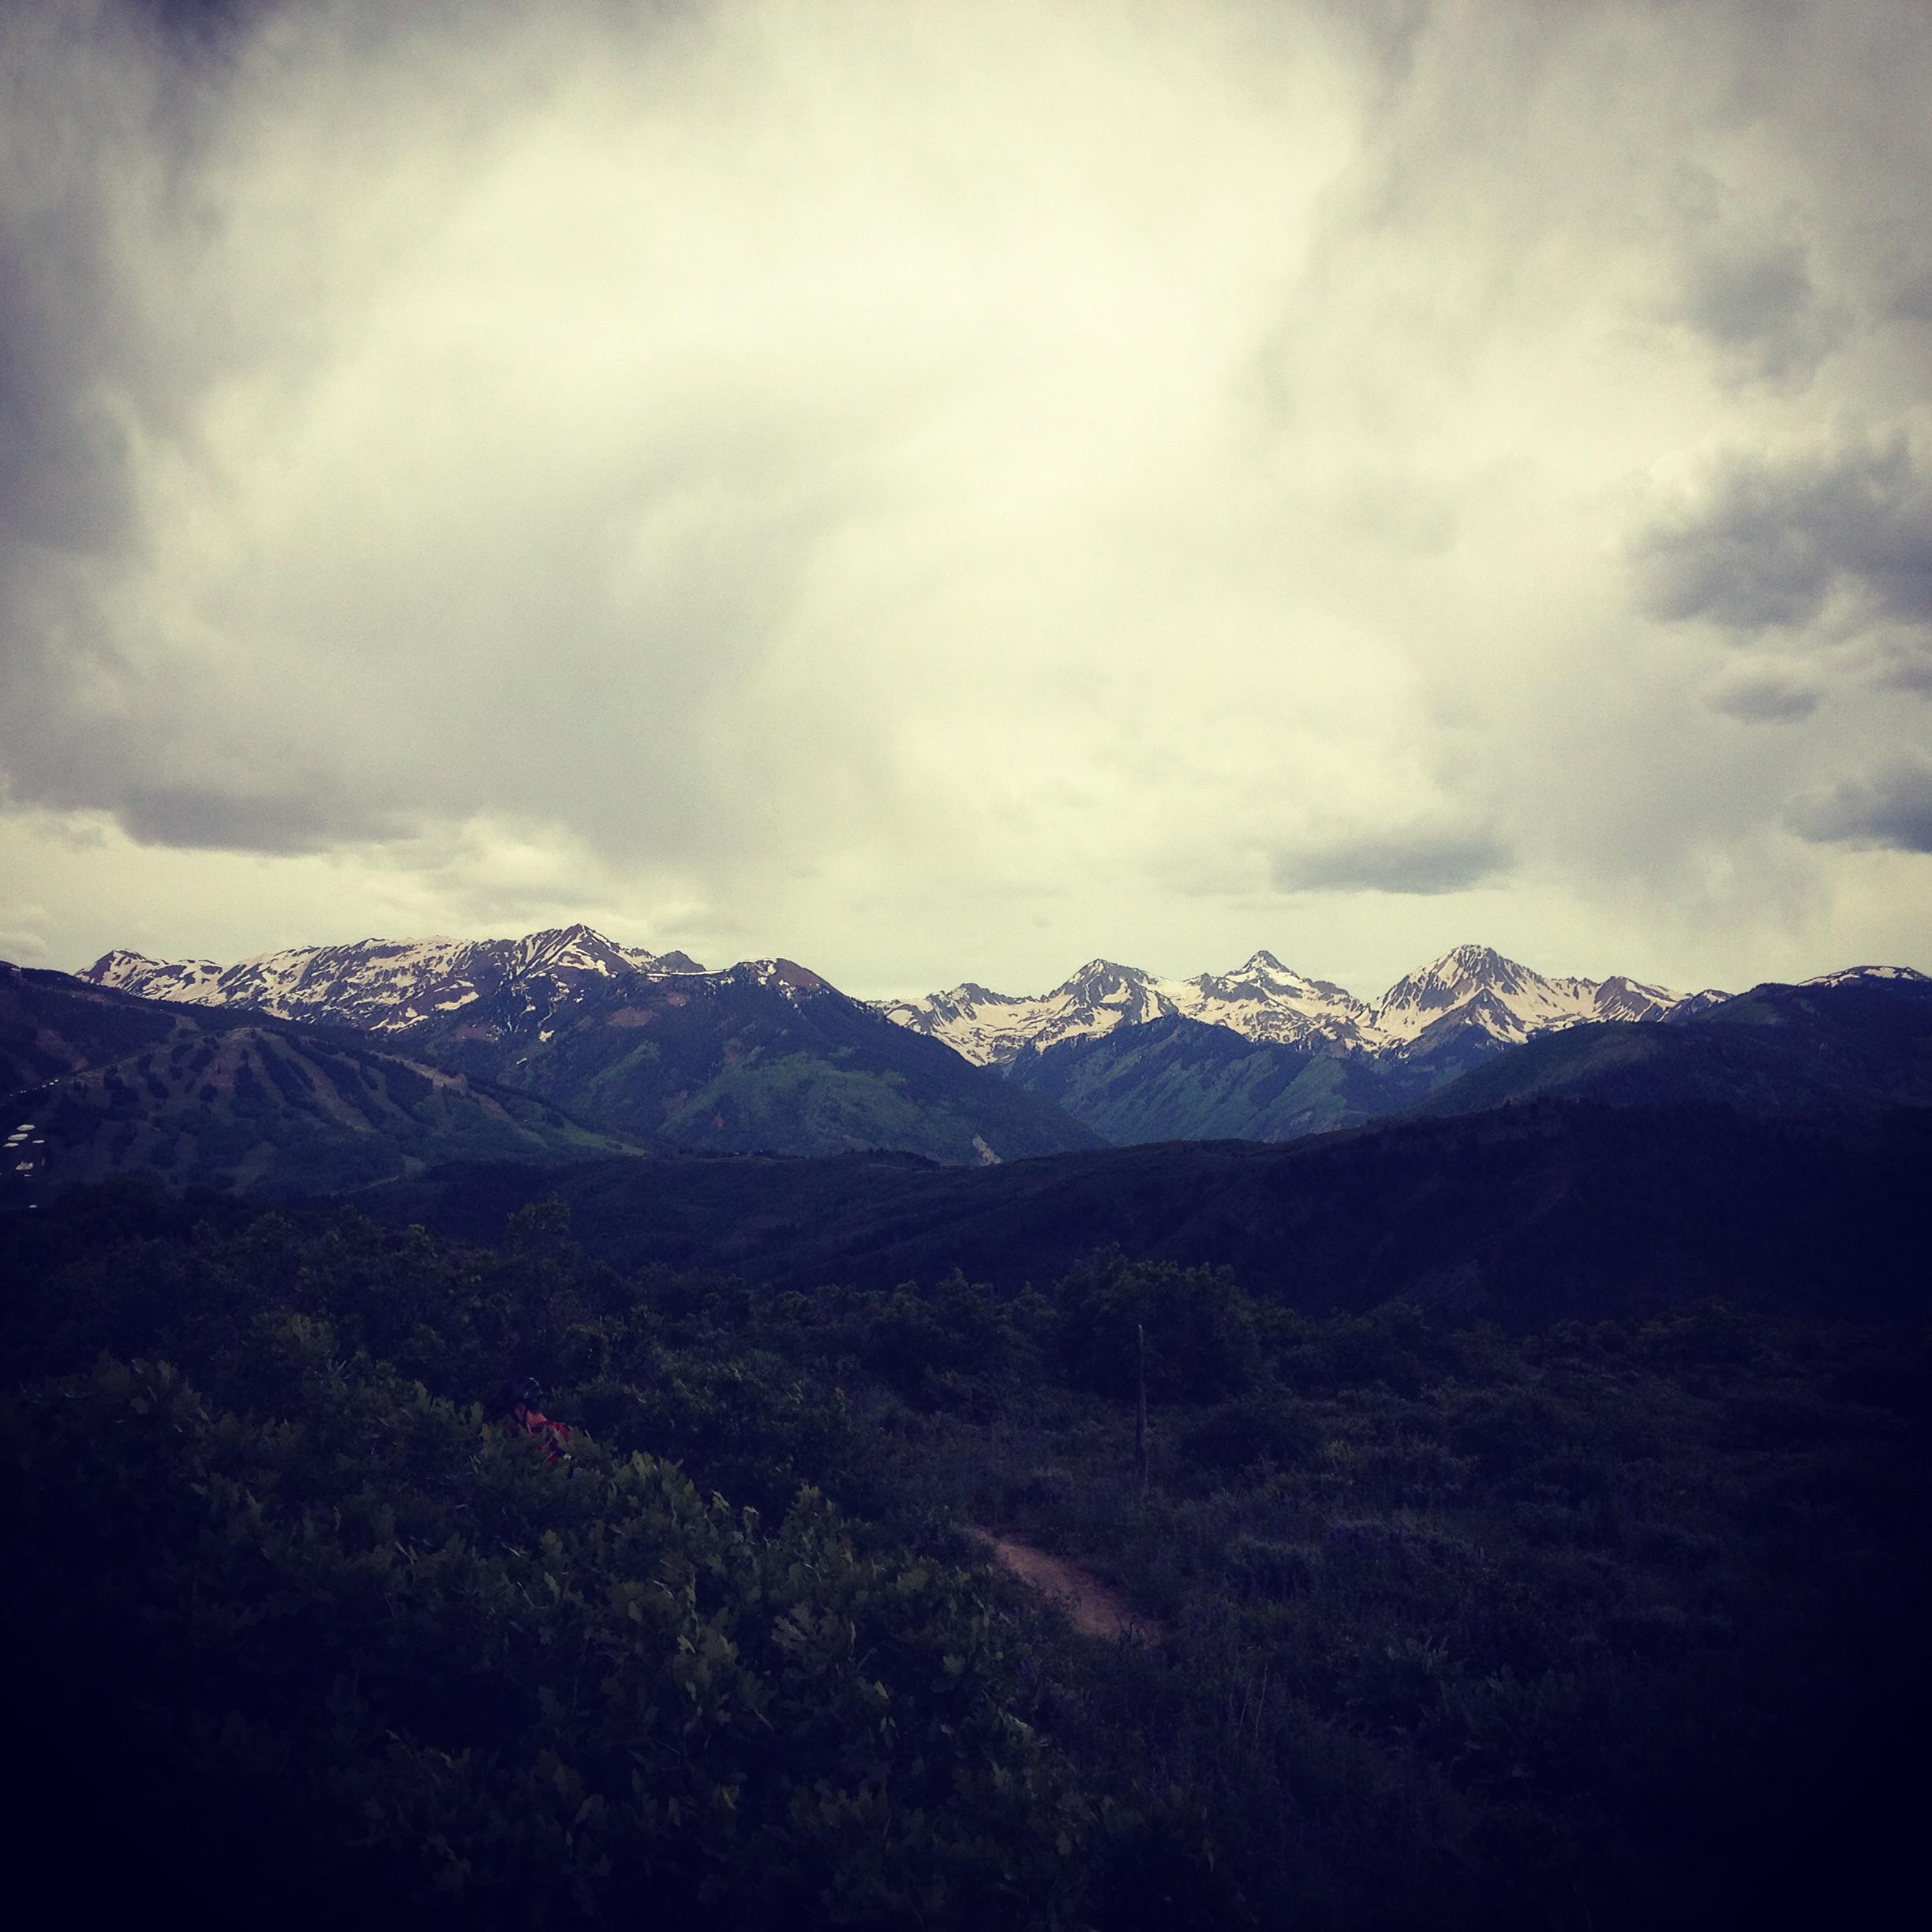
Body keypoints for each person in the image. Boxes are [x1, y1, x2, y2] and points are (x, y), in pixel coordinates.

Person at [493, 1375, 574, 1472]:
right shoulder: (567, 1429)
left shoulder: (531, 1444)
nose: (502, 1427)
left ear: (520, 1410)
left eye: (504, 1419)